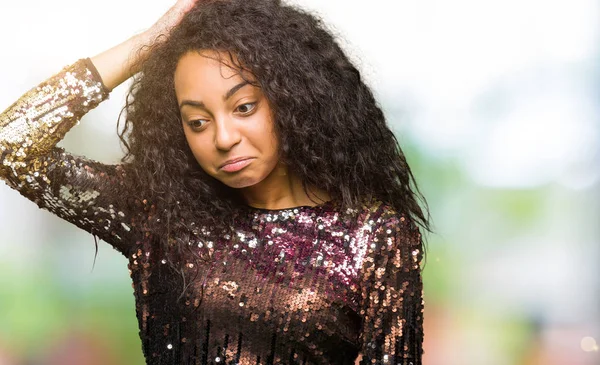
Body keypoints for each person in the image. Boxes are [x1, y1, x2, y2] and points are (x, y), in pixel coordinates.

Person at [0, 0, 433, 364]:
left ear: (294, 98)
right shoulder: (162, 217)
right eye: (198, 121)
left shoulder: (377, 236)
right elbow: (11, 145)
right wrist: (148, 44)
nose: (223, 138)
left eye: (243, 107)